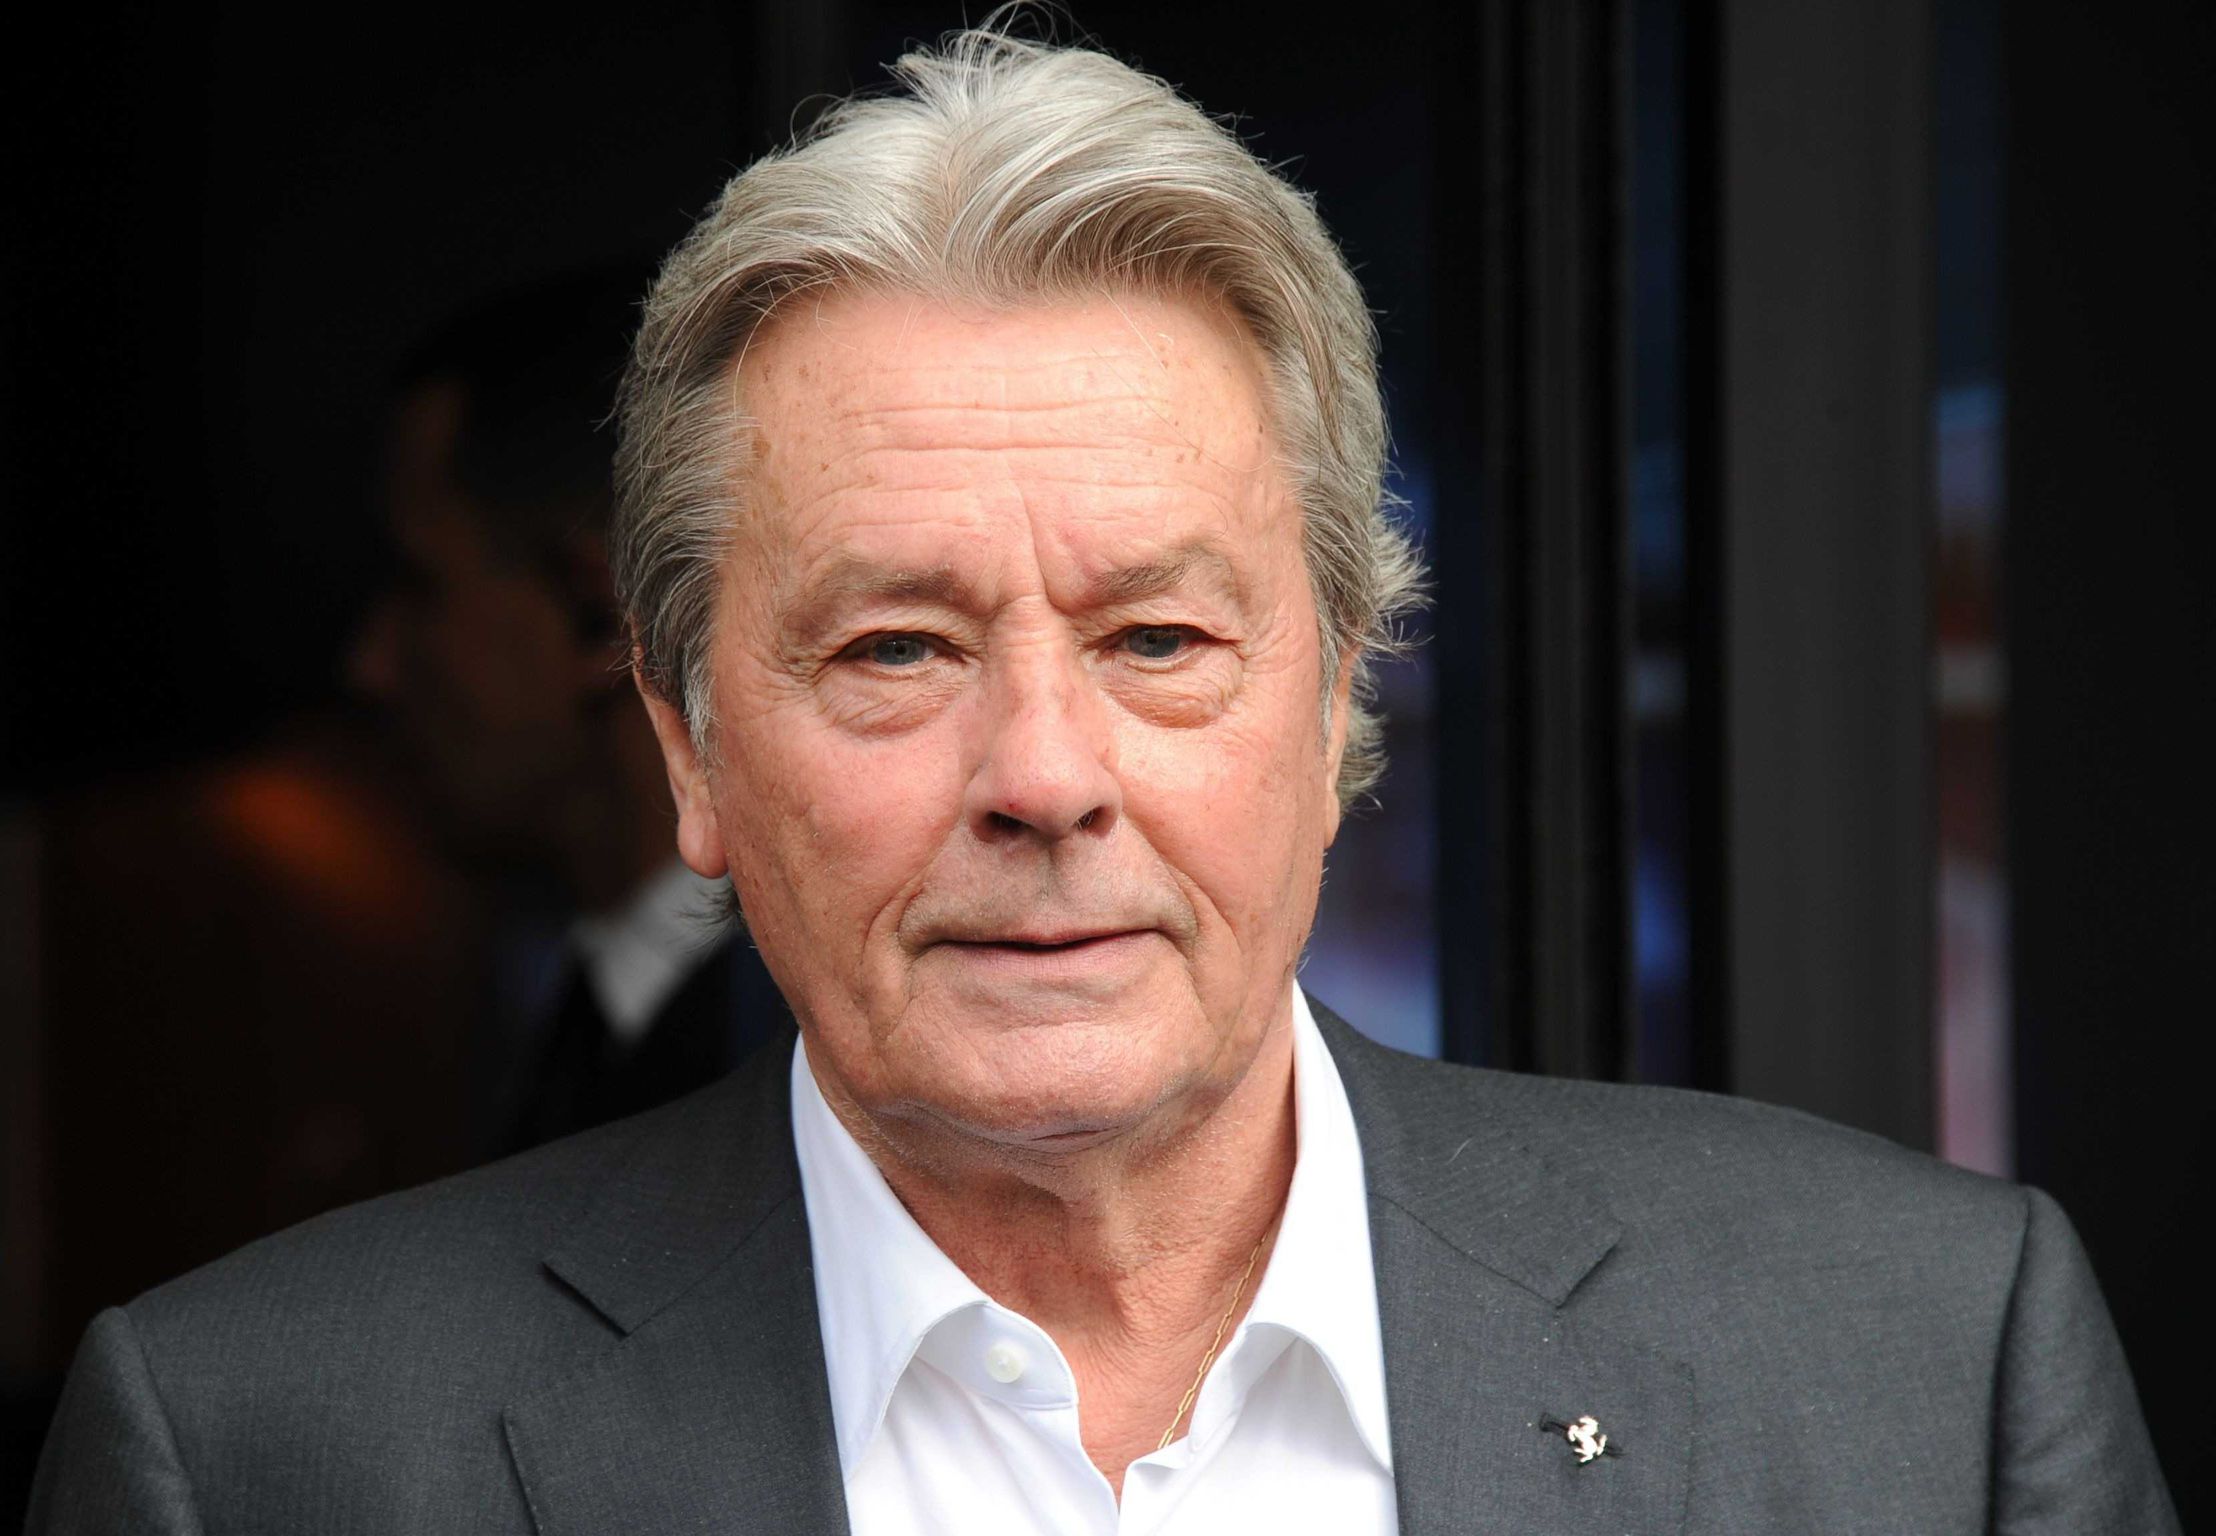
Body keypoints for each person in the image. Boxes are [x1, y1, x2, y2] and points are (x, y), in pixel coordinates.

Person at [27, 26, 2176, 1534]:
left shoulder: (1923, 1367)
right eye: (897, 649)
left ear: (1336, 708)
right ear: (689, 750)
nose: (1045, 776)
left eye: (1156, 640)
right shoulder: (263, 1456)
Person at [348, 275, 786, 1151]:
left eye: (421, 584)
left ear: (597, 618)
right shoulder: (564, 1032)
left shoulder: (803, 1052)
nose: (371, 664)